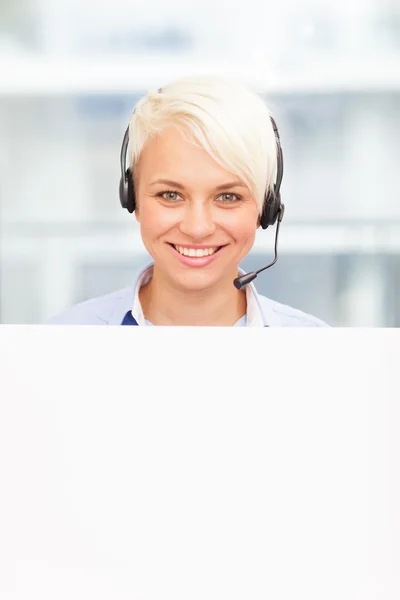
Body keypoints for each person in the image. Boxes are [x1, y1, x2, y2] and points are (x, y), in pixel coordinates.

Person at [48, 75, 327, 327]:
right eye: (170, 195)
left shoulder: (318, 350)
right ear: (132, 198)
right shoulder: (58, 342)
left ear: (266, 209)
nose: (197, 228)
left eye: (228, 197)